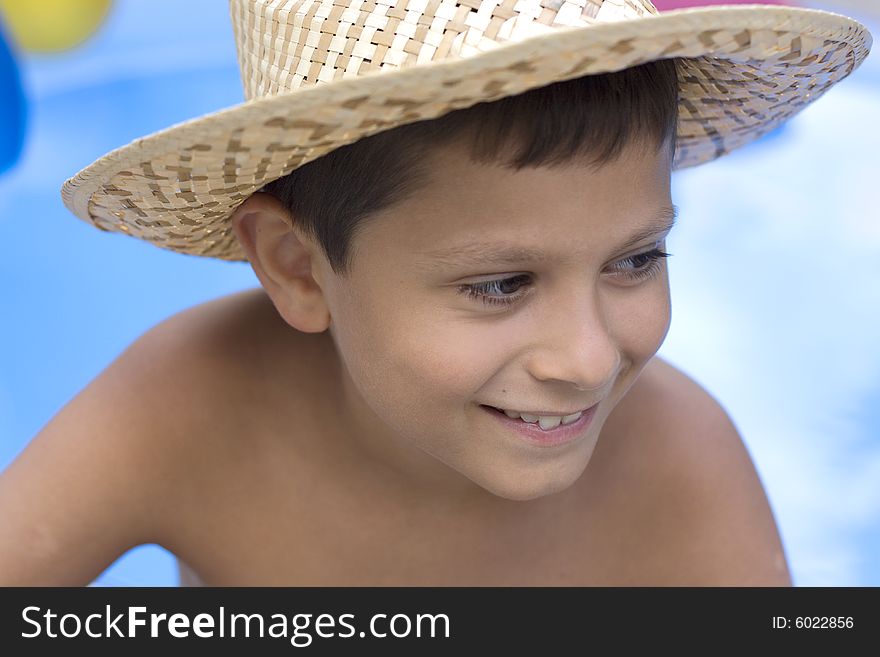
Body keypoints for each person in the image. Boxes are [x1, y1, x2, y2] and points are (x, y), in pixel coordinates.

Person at [0, 0, 871, 586]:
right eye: (501, 282)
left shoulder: (680, 467)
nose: (589, 358)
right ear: (299, 268)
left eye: (636, 259)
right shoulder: (188, 407)